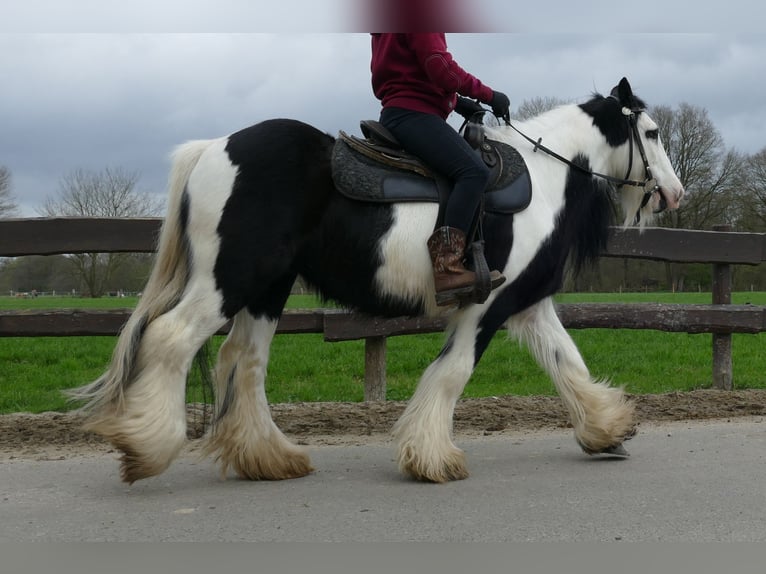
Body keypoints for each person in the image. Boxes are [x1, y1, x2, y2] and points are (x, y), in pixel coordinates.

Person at [370, 33, 509, 306]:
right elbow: (439, 66)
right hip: (414, 114)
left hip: (402, 110)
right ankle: (448, 268)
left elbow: (411, 72)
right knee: (474, 173)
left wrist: (458, 103)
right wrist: (489, 95)